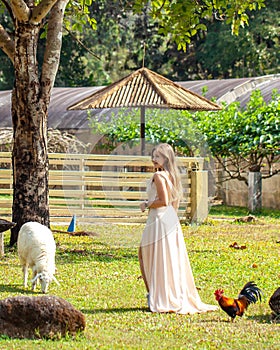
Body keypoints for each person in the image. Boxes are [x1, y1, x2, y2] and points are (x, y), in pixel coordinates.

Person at [138, 143, 218, 314]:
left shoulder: (159, 176)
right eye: (153, 156)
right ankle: (162, 292)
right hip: (169, 219)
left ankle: (154, 294)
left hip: (159, 217)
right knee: (167, 257)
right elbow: (174, 203)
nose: (154, 159)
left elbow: (164, 201)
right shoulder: (172, 176)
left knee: (146, 254)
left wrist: (146, 204)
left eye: (157, 157)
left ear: (165, 158)